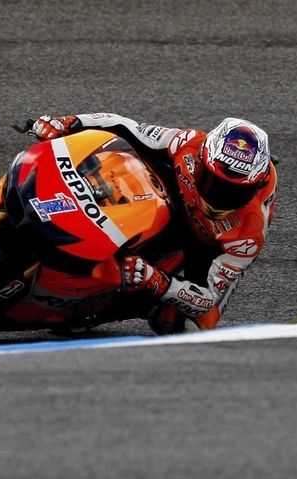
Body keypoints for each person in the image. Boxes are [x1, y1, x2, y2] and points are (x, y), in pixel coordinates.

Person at [30, 112, 277, 334]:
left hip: (205, 245)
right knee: (124, 155)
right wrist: (70, 123)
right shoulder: (189, 144)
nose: (219, 197)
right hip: (171, 196)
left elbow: (208, 299)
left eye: (233, 192)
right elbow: (126, 127)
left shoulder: (249, 233)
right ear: (202, 160)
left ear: (253, 187)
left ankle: (103, 308)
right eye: (214, 183)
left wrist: (158, 282)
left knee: (187, 326)